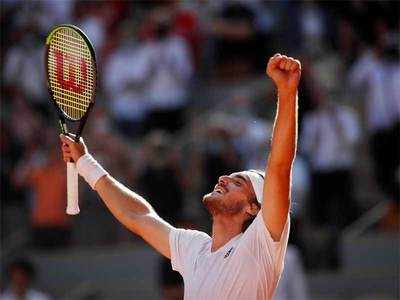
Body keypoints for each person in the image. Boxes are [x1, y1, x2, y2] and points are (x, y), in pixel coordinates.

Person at [60, 54, 301, 299]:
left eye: (238, 182)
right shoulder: (193, 247)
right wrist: (85, 163)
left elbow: (280, 167)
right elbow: (138, 216)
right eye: (229, 177)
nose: (223, 179)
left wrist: (287, 92)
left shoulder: (260, 243)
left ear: (253, 207)